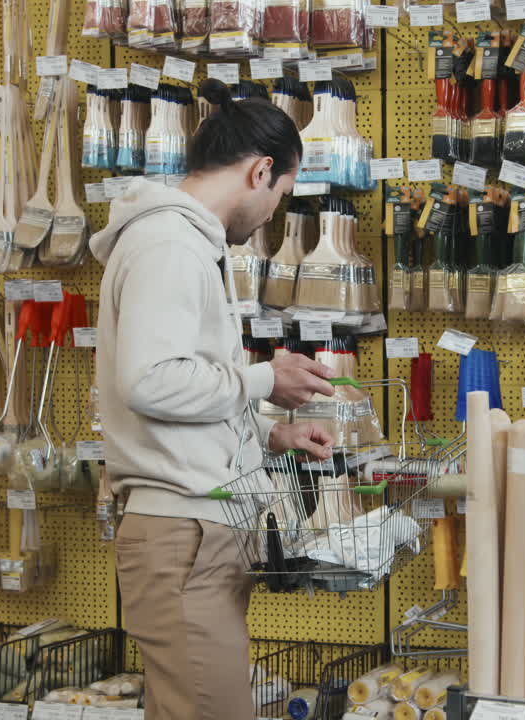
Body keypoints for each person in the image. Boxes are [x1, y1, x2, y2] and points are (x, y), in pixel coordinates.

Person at [90, 78, 336, 720]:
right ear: (261, 171)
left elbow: (180, 383)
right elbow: (151, 380)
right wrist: (264, 379)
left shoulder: (185, 244)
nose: (274, 213)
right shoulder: (170, 245)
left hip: (195, 530)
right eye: (282, 195)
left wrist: (267, 433)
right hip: (182, 533)